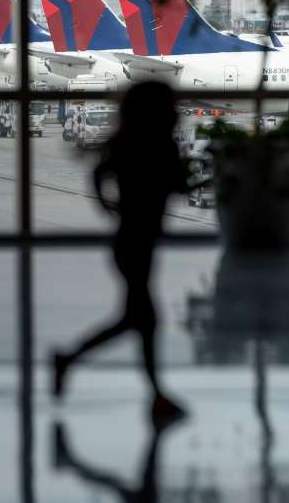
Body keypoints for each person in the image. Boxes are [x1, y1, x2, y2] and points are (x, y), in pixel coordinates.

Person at [52, 81, 188, 425]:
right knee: (145, 321)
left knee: (136, 319)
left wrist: (108, 206)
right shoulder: (161, 147)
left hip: (127, 241)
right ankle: (155, 393)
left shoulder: (129, 144)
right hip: (139, 244)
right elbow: (178, 186)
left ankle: (70, 360)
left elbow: (99, 173)